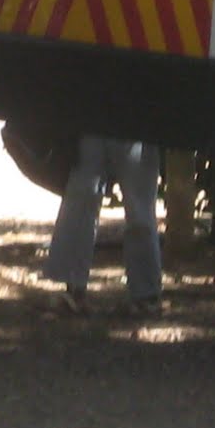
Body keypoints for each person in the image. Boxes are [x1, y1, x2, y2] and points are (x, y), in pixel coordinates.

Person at [44, 135, 163, 316]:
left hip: (138, 127)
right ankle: (73, 290)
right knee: (81, 197)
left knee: (140, 209)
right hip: (95, 124)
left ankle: (146, 297)